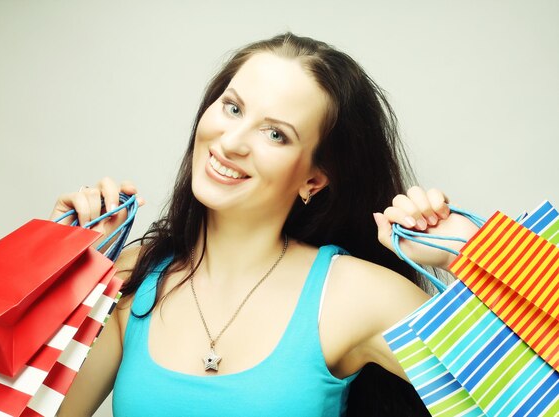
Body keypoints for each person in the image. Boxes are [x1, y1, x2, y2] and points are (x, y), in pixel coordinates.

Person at [52, 33, 479, 416]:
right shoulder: (132, 276)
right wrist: (62, 268)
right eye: (233, 108)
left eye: (275, 134)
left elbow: (538, 398)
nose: (232, 142)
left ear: (314, 178)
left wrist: (468, 251)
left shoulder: (355, 295)